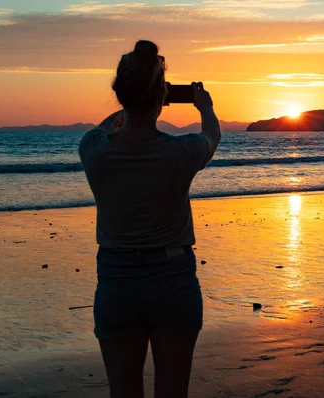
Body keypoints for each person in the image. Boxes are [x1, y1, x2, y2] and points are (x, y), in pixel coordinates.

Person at [78, 40, 221, 398]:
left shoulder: (93, 149)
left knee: (123, 392)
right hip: (173, 280)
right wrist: (205, 106)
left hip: (116, 281)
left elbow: (106, 126)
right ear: (163, 97)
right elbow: (212, 137)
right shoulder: (182, 151)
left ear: (120, 95)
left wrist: (135, 101)